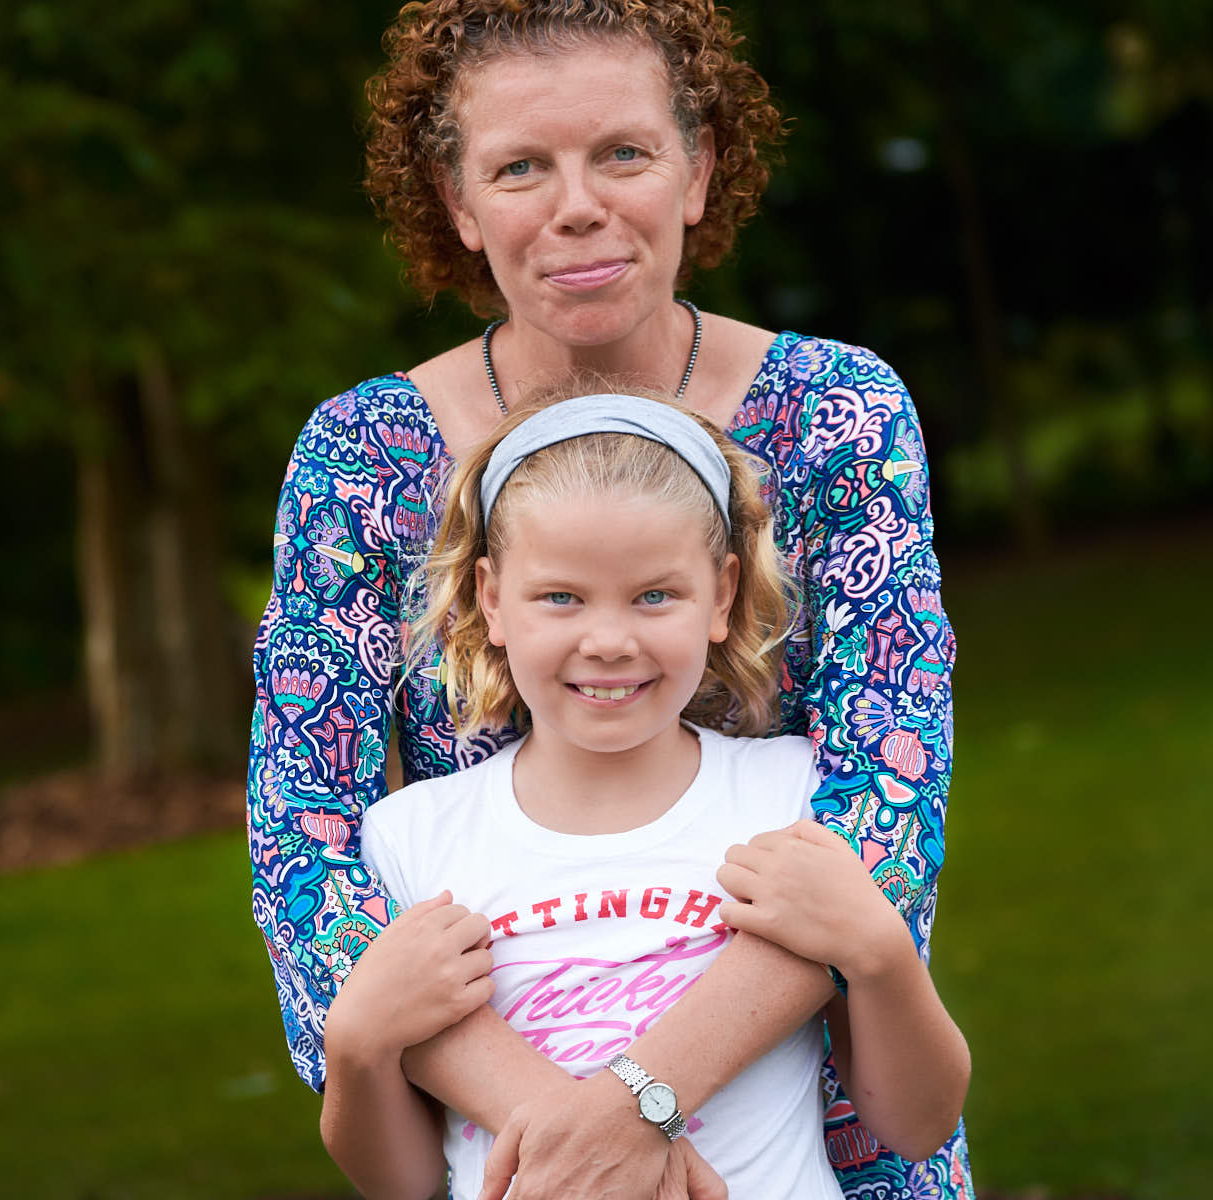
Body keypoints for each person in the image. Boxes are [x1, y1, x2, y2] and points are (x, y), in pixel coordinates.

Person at [248, 1, 972, 1196]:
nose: (575, 202)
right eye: (520, 165)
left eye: (623, 152)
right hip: (521, 1158)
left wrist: (650, 1093)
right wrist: (570, 1130)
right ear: (457, 201)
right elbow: (303, 841)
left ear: (700, 170)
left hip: (823, 1143)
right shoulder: (362, 458)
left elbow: (887, 799)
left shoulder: (837, 413)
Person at [317, 391, 970, 1200]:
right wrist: (354, 1044)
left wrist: (881, 954)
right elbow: (404, 1182)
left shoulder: (790, 799)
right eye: (561, 597)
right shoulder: (414, 838)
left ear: (722, 596)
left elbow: (917, 1123)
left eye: (654, 595)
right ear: (491, 600)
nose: (610, 640)